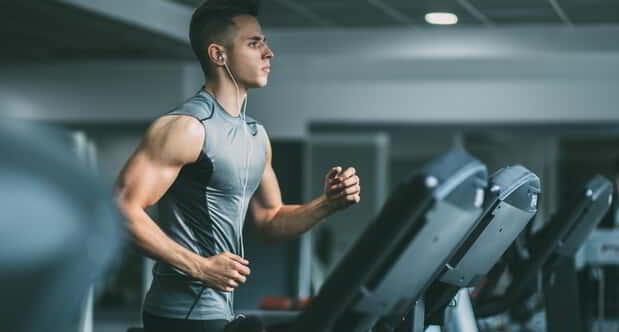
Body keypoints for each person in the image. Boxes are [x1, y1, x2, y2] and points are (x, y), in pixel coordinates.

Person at [115, 1, 361, 331]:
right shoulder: (187, 127)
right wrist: (200, 267)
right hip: (179, 316)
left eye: (265, 42)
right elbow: (121, 208)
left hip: (222, 311)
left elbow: (271, 220)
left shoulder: (256, 135)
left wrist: (327, 204)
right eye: (254, 43)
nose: (268, 53)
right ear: (219, 55)